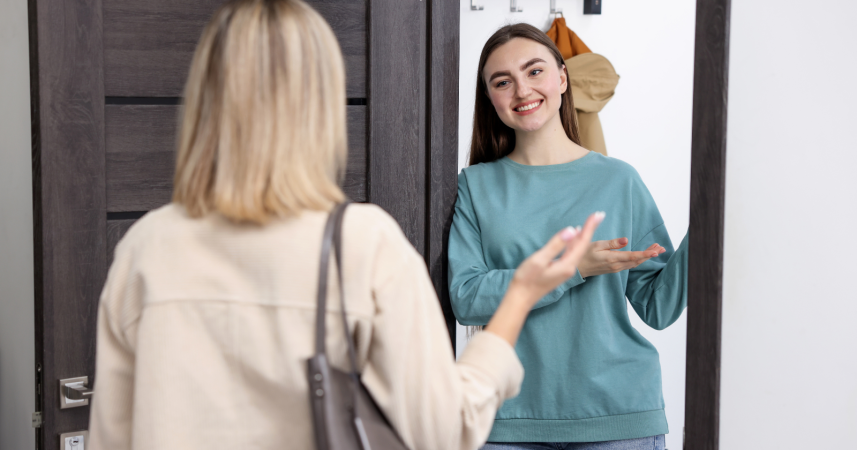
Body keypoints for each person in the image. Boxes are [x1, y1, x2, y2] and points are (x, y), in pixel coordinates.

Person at [86, 2, 603, 450]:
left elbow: (110, 437)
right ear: (321, 101)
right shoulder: (361, 243)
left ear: (206, 99)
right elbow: (445, 430)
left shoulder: (147, 247)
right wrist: (520, 296)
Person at [448, 24, 689, 450]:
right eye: (503, 82)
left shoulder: (619, 180)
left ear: (562, 78)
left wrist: (708, 216)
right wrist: (572, 267)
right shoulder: (475, 185)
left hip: (619, 420)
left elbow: (658, 306)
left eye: (534, 71)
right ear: (490, 99)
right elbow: (466, 299)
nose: (522, 90)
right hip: (508, 421)